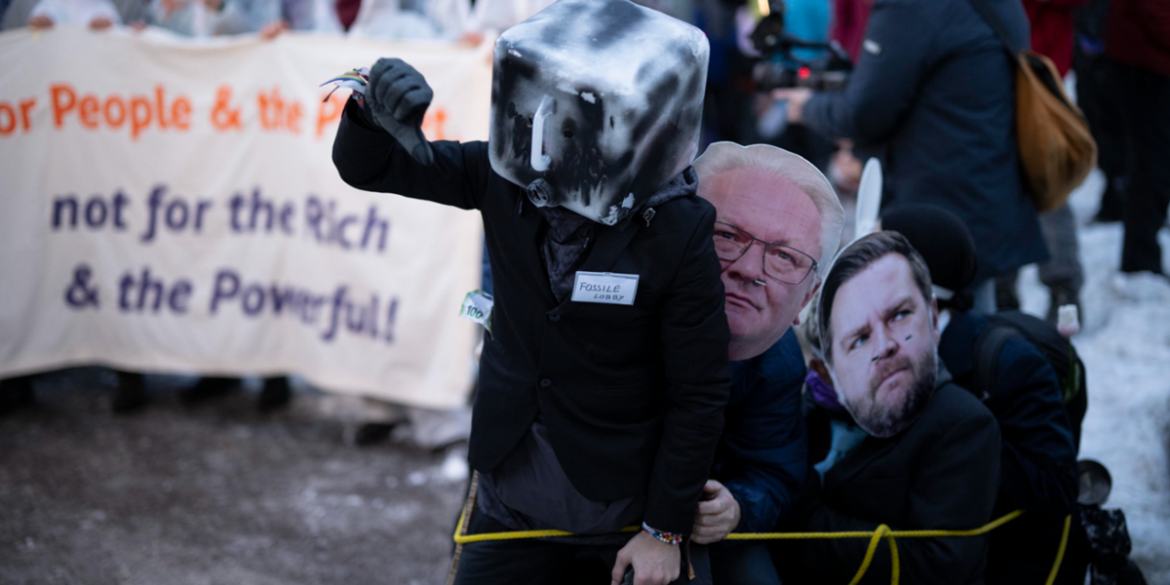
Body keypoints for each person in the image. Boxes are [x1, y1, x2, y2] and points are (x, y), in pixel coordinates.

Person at [332, 2, 728, 584]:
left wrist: (663, 530)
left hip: (618, 510)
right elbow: (369, 169)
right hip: (507, 490)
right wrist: (371, 112)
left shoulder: (678, 227)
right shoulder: (505, 176)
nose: (556, 136)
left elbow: (699, 392)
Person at [774, 0, 1047, 313]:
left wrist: (808, 107)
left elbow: (865, 113)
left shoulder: (909, 6)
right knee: (975, 321)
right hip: (986, 191)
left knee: (942, 327)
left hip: (937, 206)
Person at [782, 231, 1002, 584]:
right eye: (860, 339)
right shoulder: (805, 409)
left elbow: (939, 563)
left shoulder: (963, 425)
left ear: (932, 316)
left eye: (899, 315)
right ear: (827, 369)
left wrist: (808, 521)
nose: (884, 346)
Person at [881, 205, 1084, 584]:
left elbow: (1057, 488)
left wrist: (958, 425)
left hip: (1007, 564)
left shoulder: (1009, 362)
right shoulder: (883, 349)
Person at [687, 142, 845, 584]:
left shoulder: (776, 362)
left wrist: (735, 507)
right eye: (727, 236)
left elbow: (772, 472)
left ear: (807, 299)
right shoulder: (607, 309)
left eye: (783, 256)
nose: (750, 269)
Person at [1105, 0, 1170, 276]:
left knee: (1153, 161)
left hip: (1150, 59)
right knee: (1153, 163)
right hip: (1146, 63)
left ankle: (1141, 256)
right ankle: (1140, 261)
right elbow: (1151, 7)